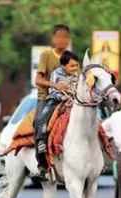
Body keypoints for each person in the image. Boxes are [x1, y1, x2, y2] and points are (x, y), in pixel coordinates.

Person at [34, 24, 71, 179]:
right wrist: (55, 85)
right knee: (39, 122)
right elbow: (38, 79)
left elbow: (77, 74)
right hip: (47, 98)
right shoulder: (46, 55)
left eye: (65, 37)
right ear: (53, 39)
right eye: (59, 37)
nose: (62, 40)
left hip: (68, 97)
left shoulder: (71, 56)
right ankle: (42, 162)